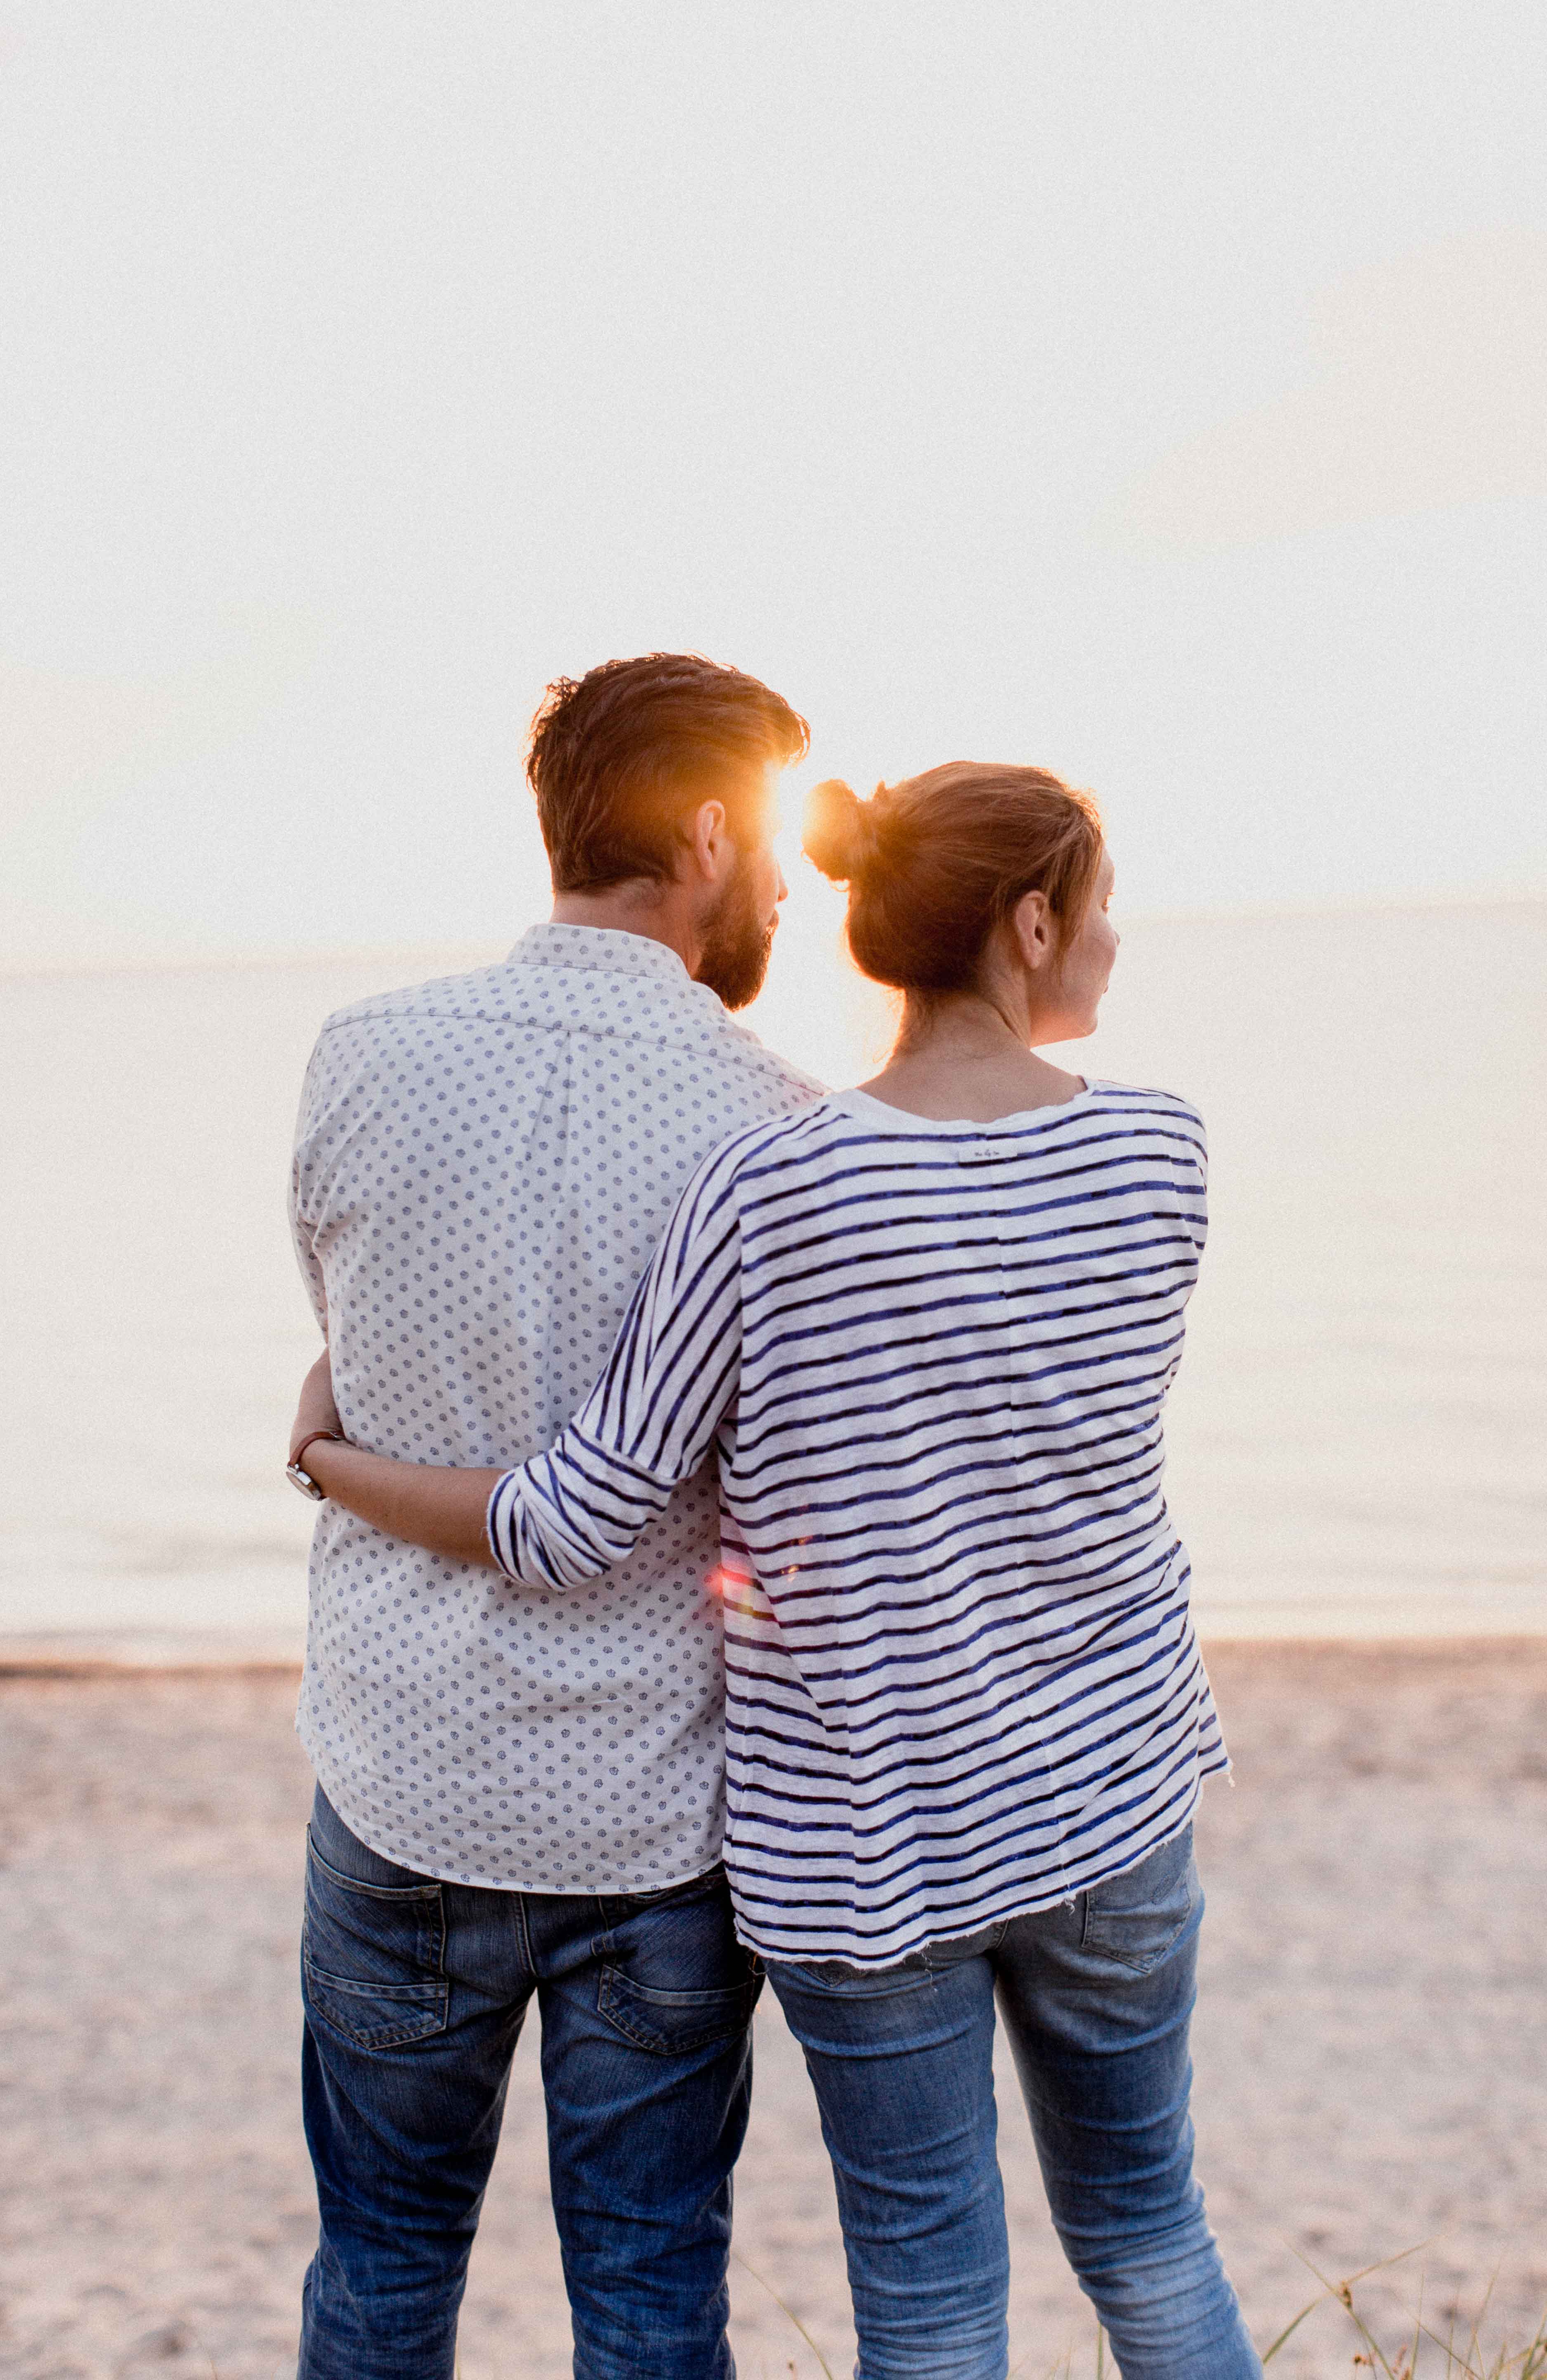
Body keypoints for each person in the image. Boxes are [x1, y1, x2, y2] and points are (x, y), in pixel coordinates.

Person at [293, 758, 1266, 2380]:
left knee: (934, 2298)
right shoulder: (1165, 1154)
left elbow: (578, 1519)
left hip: (869, 1843)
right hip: (1111, 1806)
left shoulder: (778, 1186)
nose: (1112, 941)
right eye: (1102, 909)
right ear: (1032, 921)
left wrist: (328, 1456)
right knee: (1152, 2230)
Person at [284, 652, 824, 2380]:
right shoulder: (780, 1129)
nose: (796, 889)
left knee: (377, 2273)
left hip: (405, 1782)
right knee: (654, 2308)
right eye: (783, 849)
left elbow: (347, 1349)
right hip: (656, 1829)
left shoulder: (357, 1057)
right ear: (716, 835)